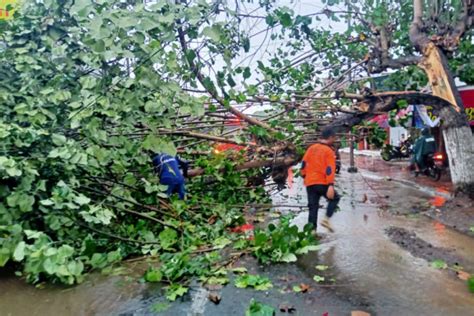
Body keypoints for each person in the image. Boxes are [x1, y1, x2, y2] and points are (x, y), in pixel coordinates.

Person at [301, 128, 340, 234]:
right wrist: (330, 185)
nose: (334, 140)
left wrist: (304, 176)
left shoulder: (311, 148)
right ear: (331, 137)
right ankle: (326, 220)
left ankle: (312, 232)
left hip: (310, 182)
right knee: (335, 198)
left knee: (313, 207)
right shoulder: (328, 151)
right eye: (334, 138)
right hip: (322, 182)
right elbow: (329, 169)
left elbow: (303, 163)